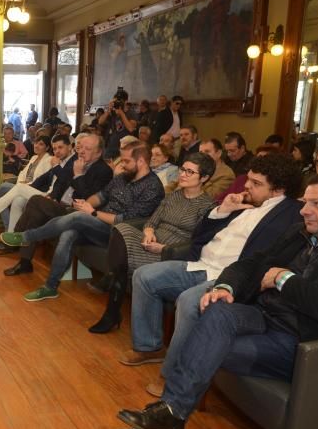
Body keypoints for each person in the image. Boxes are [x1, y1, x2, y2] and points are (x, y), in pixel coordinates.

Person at [108, 172, 318, 429]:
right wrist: (225, 286)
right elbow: (252, 262)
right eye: (306, 202)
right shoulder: (303, 234)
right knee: (215, 309)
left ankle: (168, 417)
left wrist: (284, 280)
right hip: (265, 316)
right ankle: (169, 414)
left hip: (299, 342)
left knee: (206, 342)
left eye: (317, 204)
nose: (305, 210)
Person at [123, 153, 303, 369]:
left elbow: (265, 260)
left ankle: (176, 372)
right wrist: (222, 210)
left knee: (190, 302)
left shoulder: (291, 214)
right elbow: (198, 236)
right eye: (248, 179)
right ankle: (149, 347)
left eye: (255, 183)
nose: (246, 185)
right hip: (200, 264)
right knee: (144, 275)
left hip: (227, 278)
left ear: (278, 189)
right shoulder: (244, 203)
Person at [0, 141, 165, 302]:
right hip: (98, 222)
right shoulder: (123, 177)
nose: (122, 164)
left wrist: (92, 213)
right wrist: (86, 205)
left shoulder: (152, 187)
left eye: (127, 161)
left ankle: (27, 236)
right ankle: (50, 287)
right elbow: (101, 196)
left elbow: (125, 220)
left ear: (142, 161)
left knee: (78, 217)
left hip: (119, 234)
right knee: (68, 233)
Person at [89, 152, 216, 333]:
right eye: (182, 169)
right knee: (120, 228)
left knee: (120, 264)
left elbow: (196, 244)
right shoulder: (173, 196)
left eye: (190, 172)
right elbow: (152, 221)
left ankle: (112, 310)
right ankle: (112, 291)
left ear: (204, 178)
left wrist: (164, 248)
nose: (183, 175)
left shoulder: (207, 206)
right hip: (150, 242)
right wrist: (148, 232)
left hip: (170, 253)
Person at [1, 134, 114, 276]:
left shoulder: (103, 170)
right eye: (81, 147)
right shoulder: (77, 161)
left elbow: (90, 197)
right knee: (36, 211)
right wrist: (53, 197)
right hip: (61, 204)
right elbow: (61, 181)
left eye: (88, 149)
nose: (82, 151)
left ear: (98, 152)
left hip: (78, 213)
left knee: (36, 200)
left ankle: (17, 237)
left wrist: (78, 175)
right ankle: (24, 262)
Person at [0, 135, 70, 238]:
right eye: (55, 148)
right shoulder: (35, 158)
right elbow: (23, 174)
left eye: (40, 144)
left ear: (47, 148)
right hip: (27, 187)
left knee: (5, 187)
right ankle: (11, 237)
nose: (36, 145)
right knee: (17, 200)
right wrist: (22, 183)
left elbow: (46, 181)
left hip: (44, 194)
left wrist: (25, 185)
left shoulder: (51, 160)